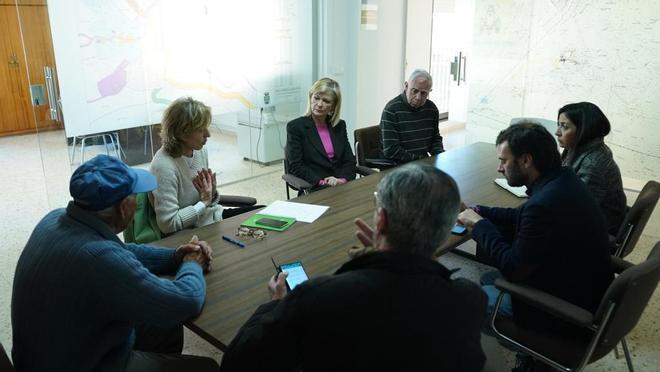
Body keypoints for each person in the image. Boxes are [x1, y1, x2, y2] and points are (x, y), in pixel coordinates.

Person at [220, 164, 488, 372]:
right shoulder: (469, 299)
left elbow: (237, 363)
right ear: (446, 230)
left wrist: (277, 305)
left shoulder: (321, 296)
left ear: (380, 221)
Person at [11, 155, 219, 372]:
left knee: (165, 325)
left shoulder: (56, 219)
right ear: (123, 207)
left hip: (49, 352)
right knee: (208, 367)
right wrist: (192, 263)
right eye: (136, 195)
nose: (139, 199)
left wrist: (173, 257)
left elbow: (121, 251)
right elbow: (185, 301)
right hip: (79, 364)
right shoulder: (97, 259)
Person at [457, 123, 613, 370]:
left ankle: (534, 355)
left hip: (566, 315)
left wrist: (480, 227)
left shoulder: (543, 204)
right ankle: (531, 357)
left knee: (466, 302)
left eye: (504, 161)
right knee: (488, 278)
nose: (499, 167)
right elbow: (523, 218)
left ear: (526, 160)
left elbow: (512, 268)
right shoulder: (563, 181)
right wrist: (478, 210)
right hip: (586, 293)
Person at [150, 97, 261, 235]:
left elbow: (209, 204)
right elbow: (168, 224)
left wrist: (212, 194)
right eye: (201, 130)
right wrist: (204, 203)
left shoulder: (199, 150)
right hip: (192, 234)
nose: (208, 134)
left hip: (213, 219)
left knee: (266, 212)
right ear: (183, 132)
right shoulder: (163, 166)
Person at [556, 102, 626, 235]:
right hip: (588, 219)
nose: (557, 132)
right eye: (559, 125)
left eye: (564, 127)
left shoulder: (593, 163)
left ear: (584, 130)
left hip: (596, 230)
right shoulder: (577, 149)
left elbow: (577, 209)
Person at [285, 78, 357, 193]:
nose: (319, 104)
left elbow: (349, 160)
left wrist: (342, 180)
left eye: (326, 101)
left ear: (333, 106)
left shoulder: (339, 125)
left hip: (340, 185)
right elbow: (296, 166)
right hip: (314, 187)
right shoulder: (296, 127)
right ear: (310, 97)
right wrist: (322, 182)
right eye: (316, 98)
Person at [380, 69, 444, 164]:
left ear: (429, 92)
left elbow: (435, 139)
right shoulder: (391, 110)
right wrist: (422, 160)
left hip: (421, 164)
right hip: (397, 166)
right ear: (406, 86)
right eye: (415, 91)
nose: (418, 97)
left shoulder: (431, 109)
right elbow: (391, 150)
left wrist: (440, 156)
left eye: (423, 93)